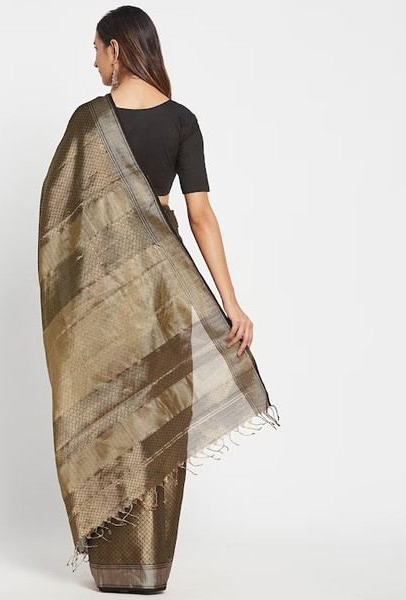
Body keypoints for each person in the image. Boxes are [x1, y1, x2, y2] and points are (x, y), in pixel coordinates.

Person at [37, 5, 280, 594]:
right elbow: (200, 216)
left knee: (109, 413)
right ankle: (148, 567)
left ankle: (116, 567)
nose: (94, 61)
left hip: (103, 294)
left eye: (97, 49)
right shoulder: (181, 120)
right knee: (163, 409)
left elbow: (57, 218)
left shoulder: (88, 123)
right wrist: (230, 302)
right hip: (164, 286)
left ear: (117, 49)